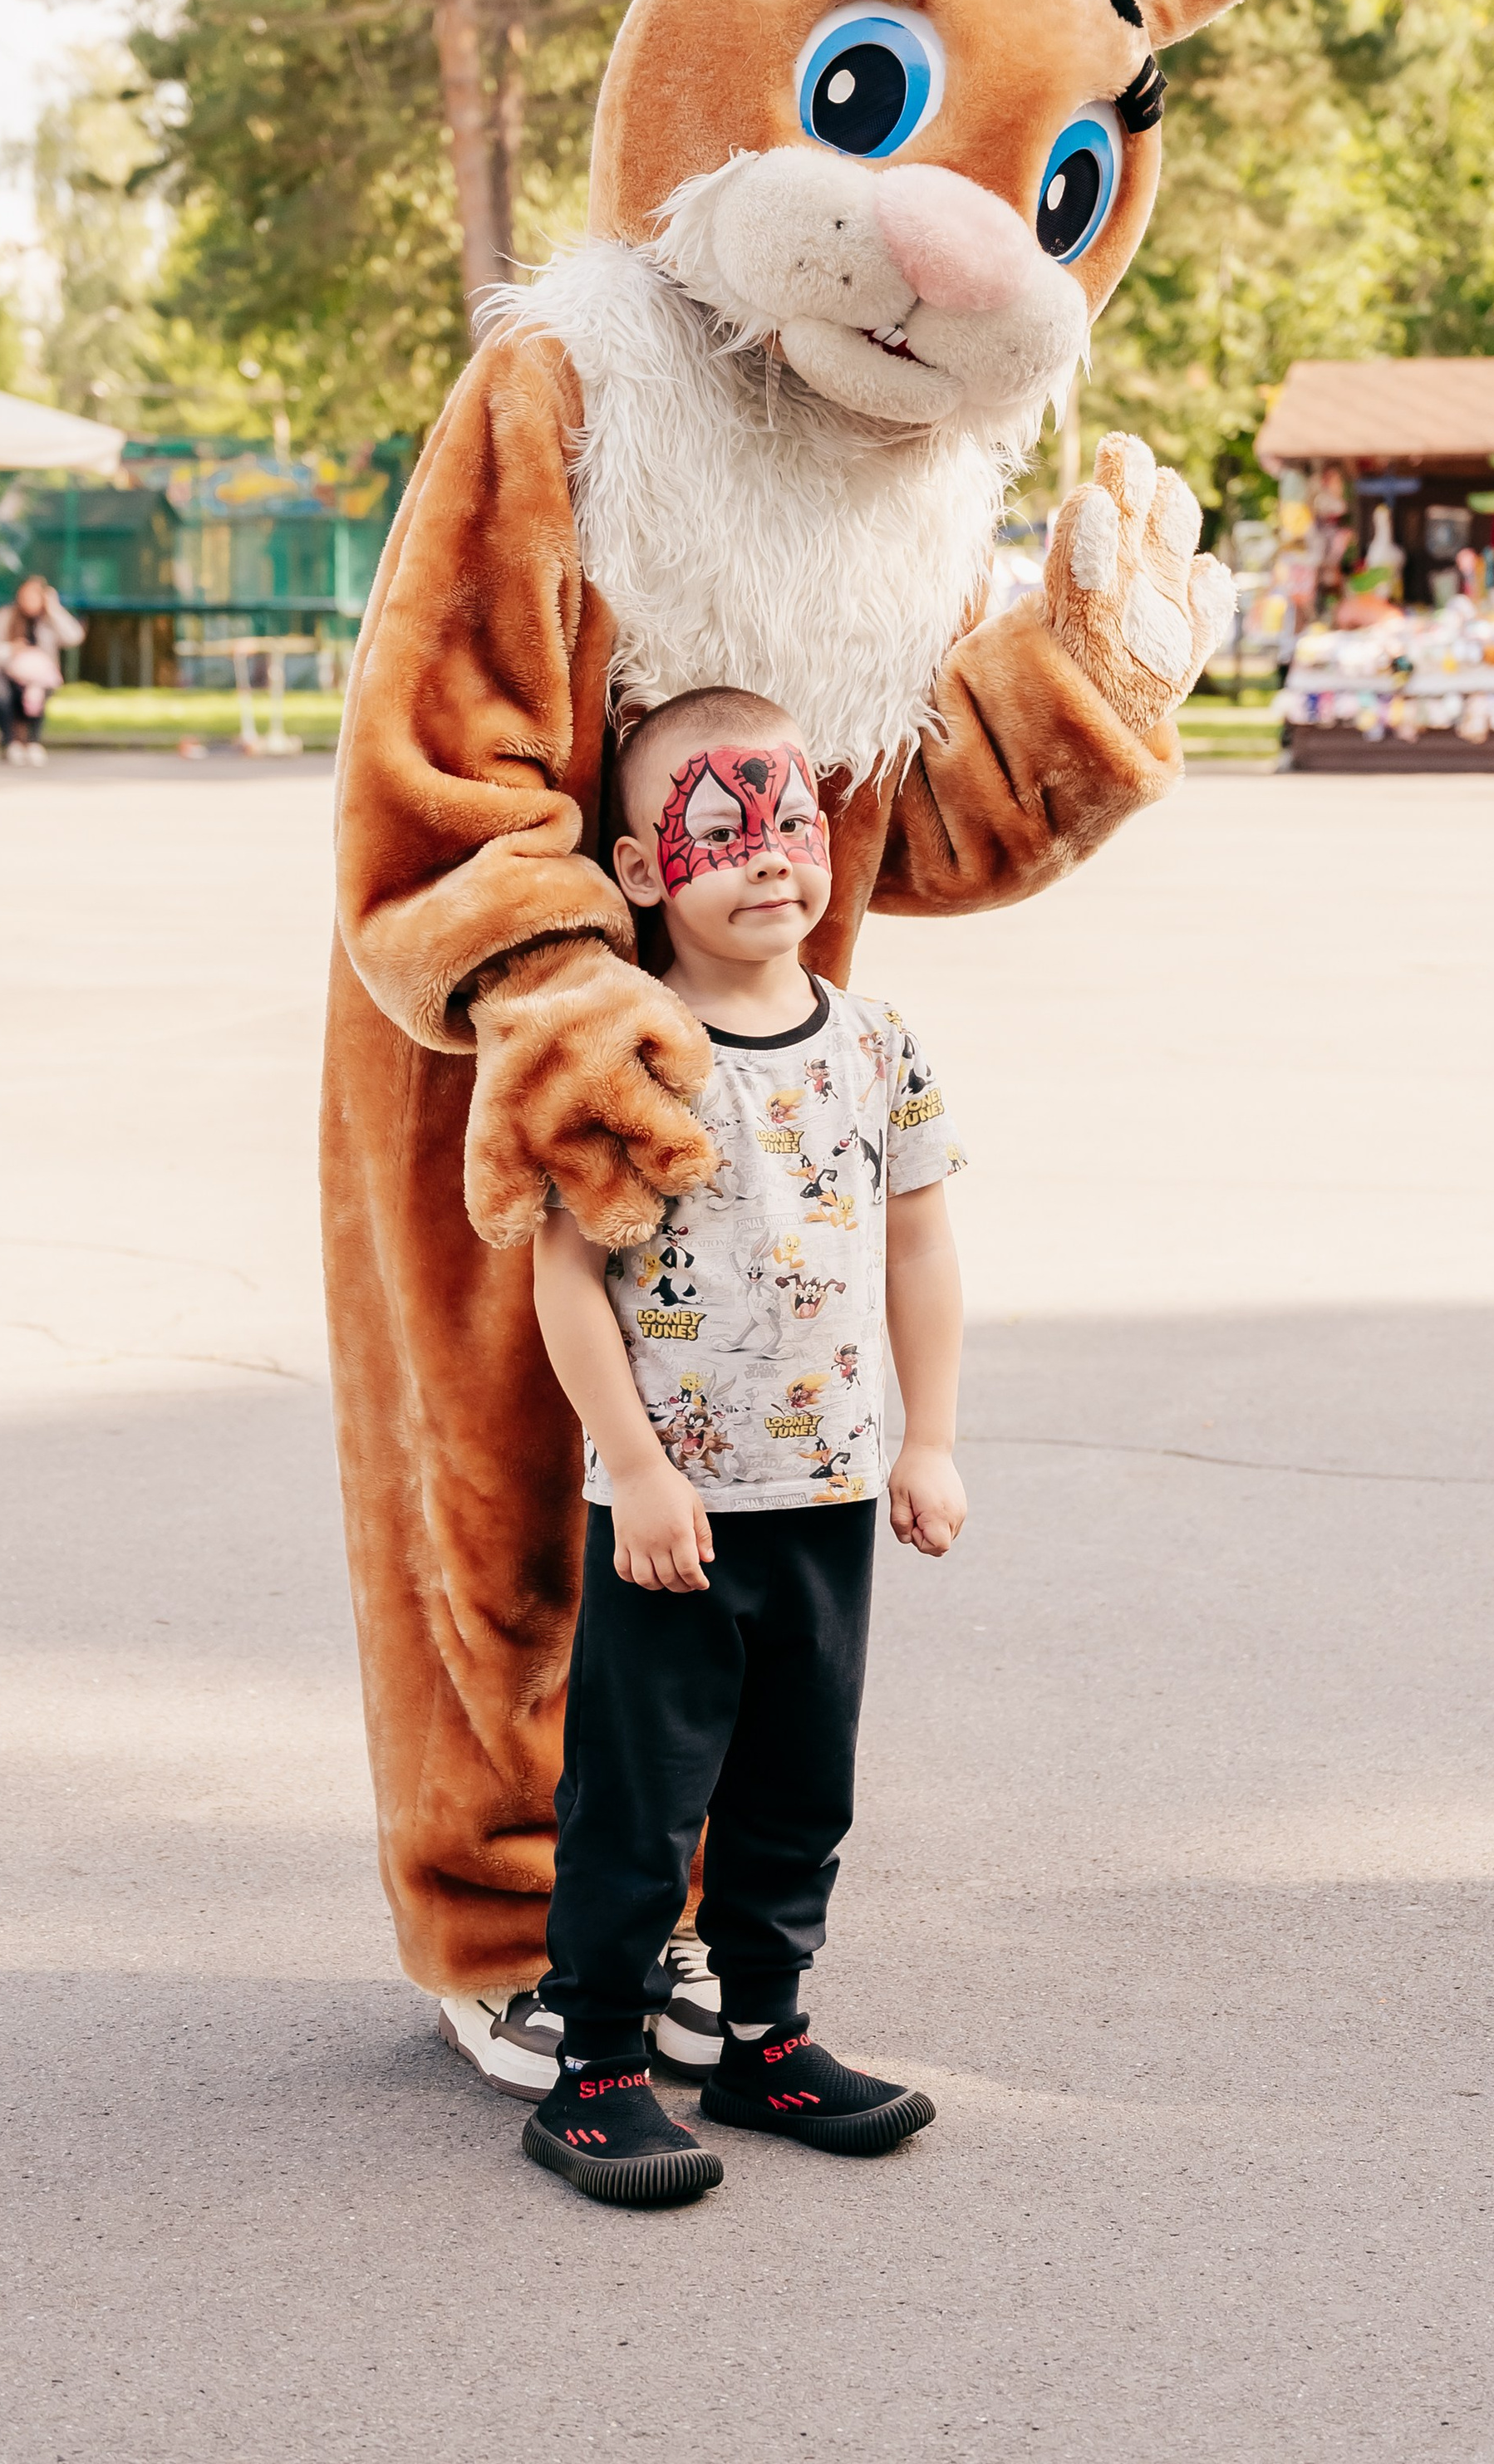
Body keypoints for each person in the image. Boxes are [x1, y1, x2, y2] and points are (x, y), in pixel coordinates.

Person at [512, 685, 967, 2209]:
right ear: (645, 869)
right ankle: (595, 2067)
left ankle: (765, 2032)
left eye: (796, 819)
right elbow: (562, 1270)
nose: (774, 855)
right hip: (675, 1512)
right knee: (638, 1793)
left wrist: (932, 1438)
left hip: (830, 1491)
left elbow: (920, 1246)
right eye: (725, 827)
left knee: (797, 1785)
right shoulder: (629, 1052)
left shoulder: (881, 1045)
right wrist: (634, 1466)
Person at [0, 577, 82, 764]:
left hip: (37, 678)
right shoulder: (7, 615)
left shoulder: (48, 619)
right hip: (6, 673)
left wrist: (54, 608)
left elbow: (74, 636)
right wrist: (11, 649)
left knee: (39, 689)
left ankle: (33, 742)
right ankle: (11, 743)